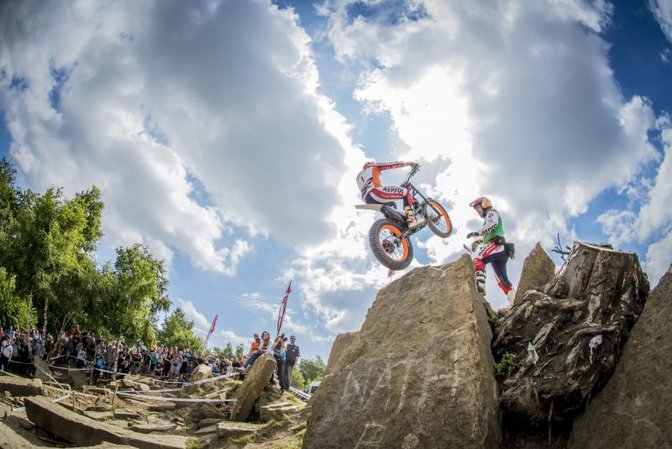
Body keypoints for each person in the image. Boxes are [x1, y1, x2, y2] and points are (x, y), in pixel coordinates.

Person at [466, 196, 516, 303]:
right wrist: (479, 241)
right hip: (498, 250)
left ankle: (480, 284)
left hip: (496, 244)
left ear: (485, 204)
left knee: (477, 259)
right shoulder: (488, 217)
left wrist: (478, 233)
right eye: (476, 209)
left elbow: (492, 224)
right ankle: (514, 299)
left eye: (478, 207)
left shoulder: (492, 213)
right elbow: (489, 232)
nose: (478, 211)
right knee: (501, 280)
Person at [356, 160, 420, 227]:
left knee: (392, 205)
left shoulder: (358, 177)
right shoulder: (373, 166)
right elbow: (392, 164)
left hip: (367, 200)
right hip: (376, 192)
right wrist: (410, 163)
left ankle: (395, 227)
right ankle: (411, 220)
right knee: (406, 192)